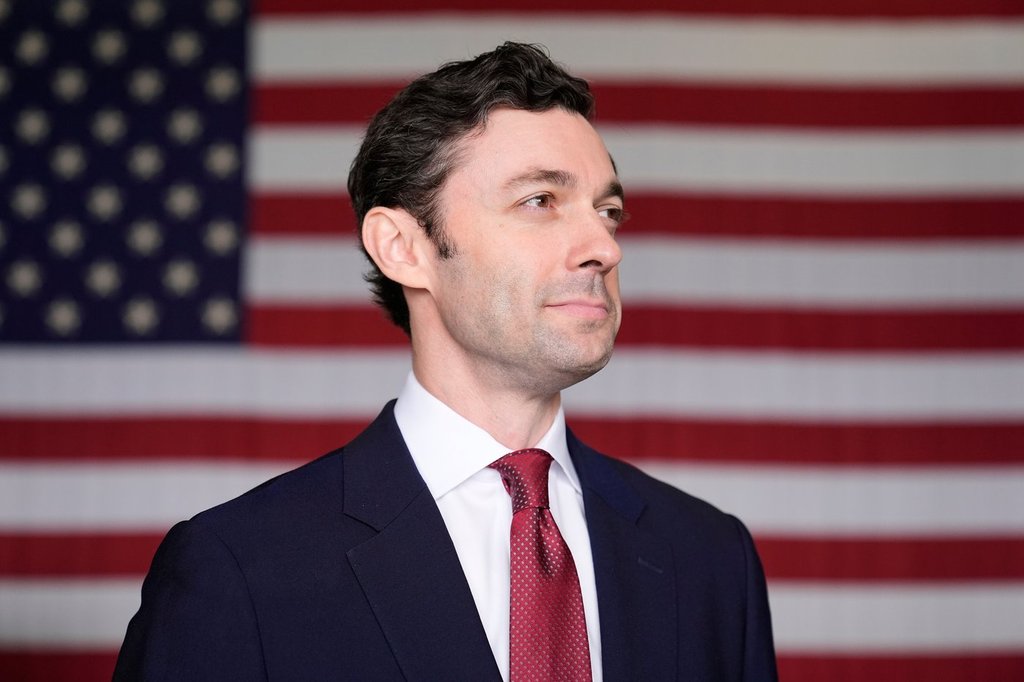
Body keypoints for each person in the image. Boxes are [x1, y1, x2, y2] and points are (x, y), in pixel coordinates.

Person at [114, 42, 777, 681]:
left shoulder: (711, 561)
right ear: (402, 247)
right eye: (540, 201)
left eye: (608, 211)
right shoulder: (240, 568)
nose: (603, 246)